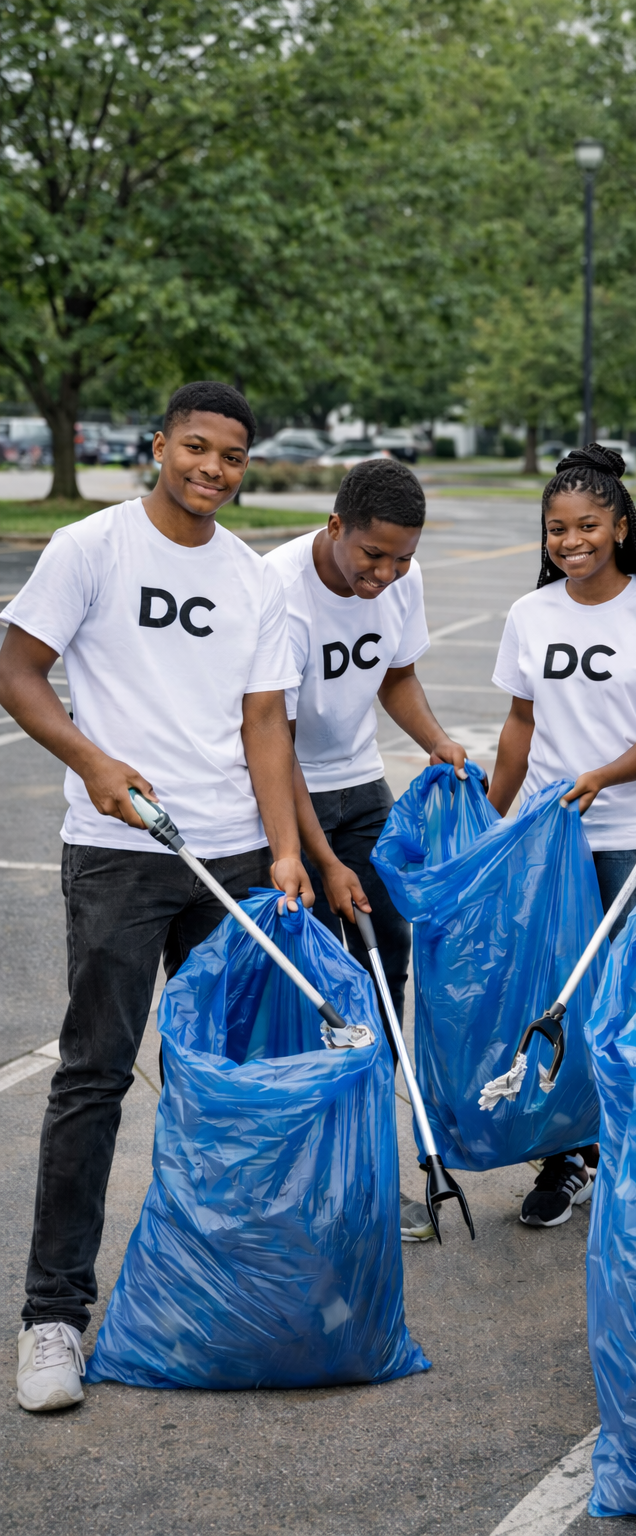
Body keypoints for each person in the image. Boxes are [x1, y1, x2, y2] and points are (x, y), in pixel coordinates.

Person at [0, 381, 312, 1413]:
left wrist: (283, 852)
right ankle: (52, 1318)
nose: (212, 471)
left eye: (231, 457)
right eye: (195, 448)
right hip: (119, 850)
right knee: (93, 1075)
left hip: (225, 859)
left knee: (212, 1080)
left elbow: (266, 723)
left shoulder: (254, 580)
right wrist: (91, 759)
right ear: (157, 447)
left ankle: (201, 1291)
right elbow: (18, 669)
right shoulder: (92, 547)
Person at [488, 443, 636, 1227]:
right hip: (548, 840)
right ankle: (565, 1158)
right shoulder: (530, 614)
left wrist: (601, 780)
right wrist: (491, 823)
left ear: (619, 525)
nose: (571, 541)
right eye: (556, 529)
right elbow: (519, 727)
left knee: (624, 997)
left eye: (586, 526)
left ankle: (626, 1149)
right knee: (555, 997)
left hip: (627, 837)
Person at [265, 456, 469, 1243]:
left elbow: (396, 677)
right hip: (282, 802)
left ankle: (365, 1173)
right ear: (334, 527)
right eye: (372, 557)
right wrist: (324, 858)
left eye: (402, 559)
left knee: (387, 969)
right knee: (306, 987)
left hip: (361, 788)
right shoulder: (276, 590)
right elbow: (273, 744)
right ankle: (295, 1178)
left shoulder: (398, 581)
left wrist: (440, 741)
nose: (385, 575)